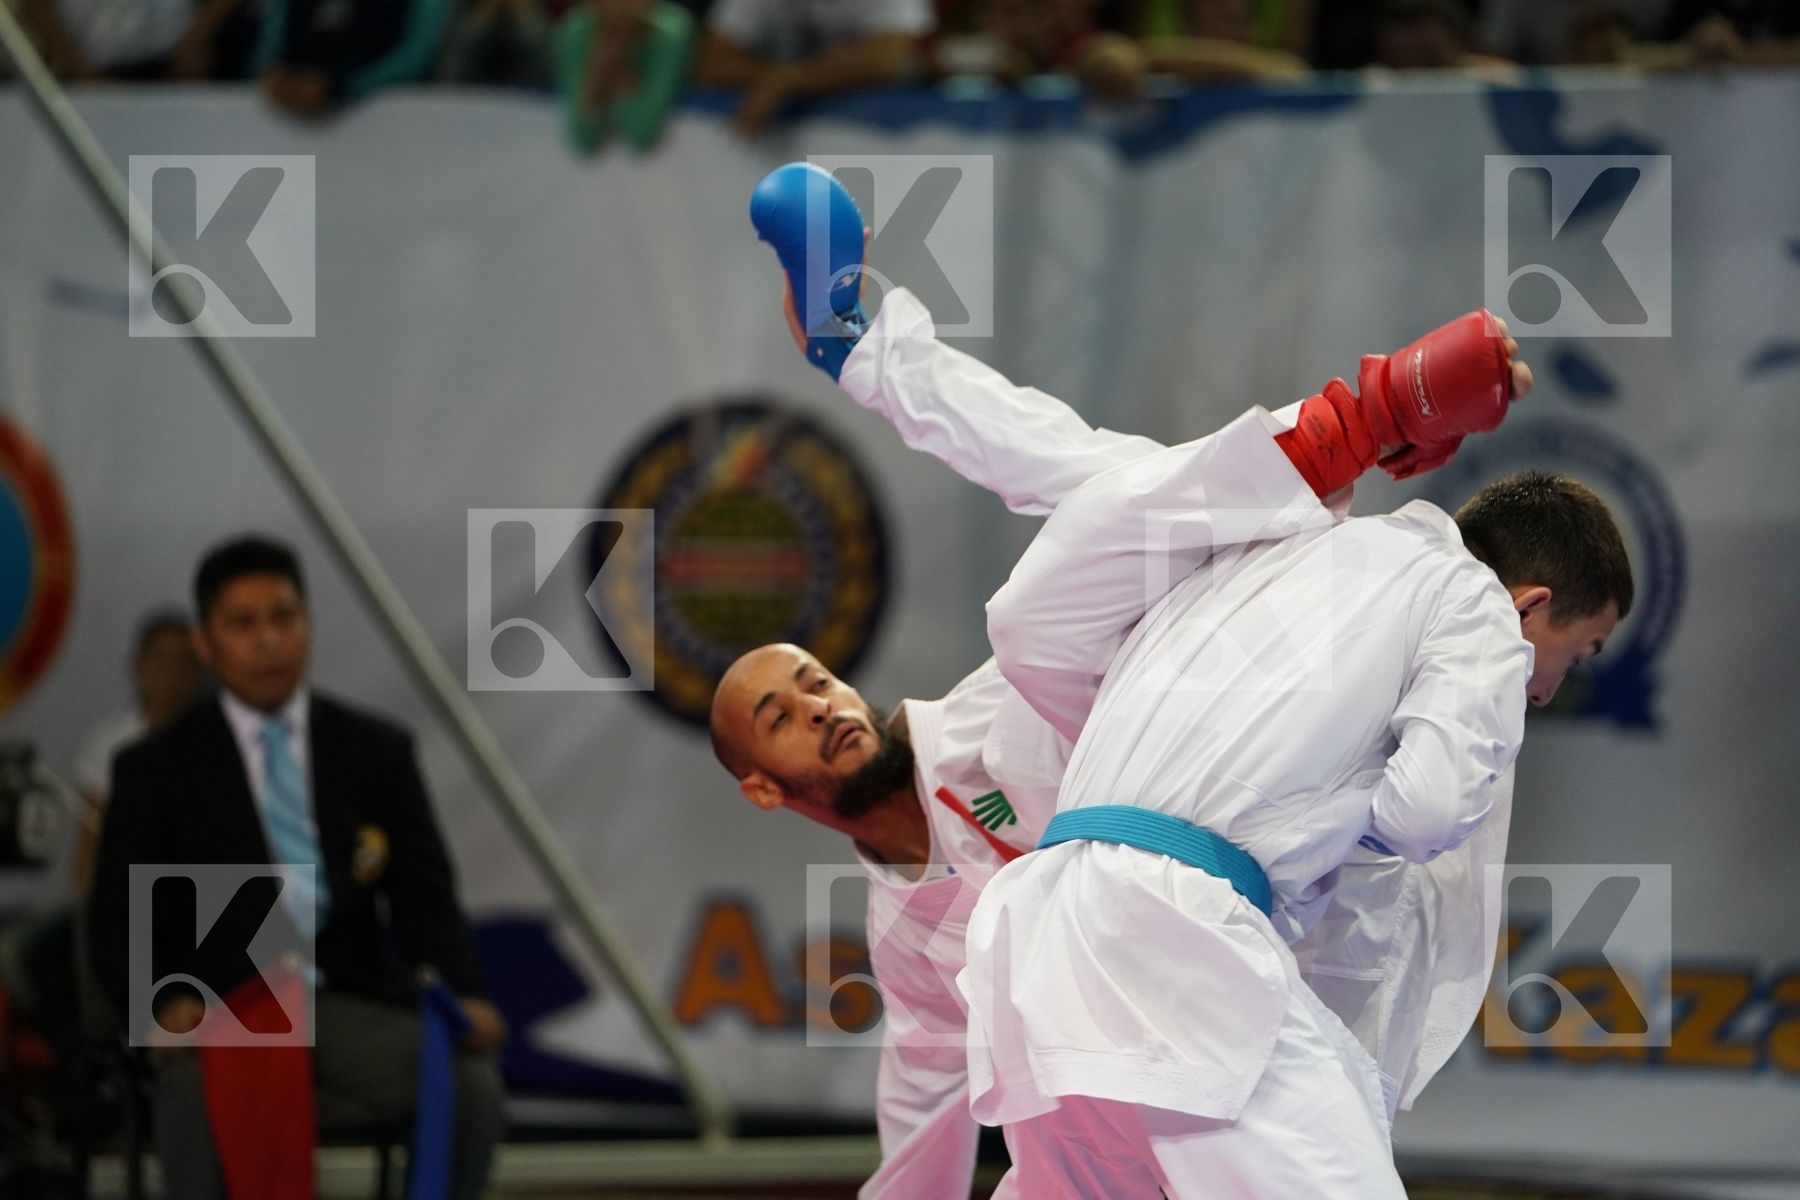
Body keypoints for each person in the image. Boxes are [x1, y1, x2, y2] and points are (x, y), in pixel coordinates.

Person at [711, 266, 1535, 1195]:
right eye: (781, 715)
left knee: (1085, 519)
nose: (820, 708)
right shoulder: (908, 940)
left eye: (816, 683)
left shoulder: (1009, 689)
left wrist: (873, 356)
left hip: (1254, 920)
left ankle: (1357, 419)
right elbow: (917, 1122)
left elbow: (1063, 464)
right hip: (1123, 1003)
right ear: (761, 788)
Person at [957, 334, 1632, 1189]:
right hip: (1178, 947)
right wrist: (1353, 821)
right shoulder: (1472, 602)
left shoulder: (1266, 541)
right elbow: (1426, 813)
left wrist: (1369, 418)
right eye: (1580, 653)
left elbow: (1030, 613)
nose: (1549, 689)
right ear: (1530, 606)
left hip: (1040, 931)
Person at [86, 535, 505, 1200]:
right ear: (206, 643)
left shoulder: (375, 752)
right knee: (192, 1093)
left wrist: (465, 989)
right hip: (225, 1004)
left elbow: (424, 892)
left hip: (344, 998)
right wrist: (164, 1001)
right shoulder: (154, 768)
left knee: (467, 1083)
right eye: (243, 623)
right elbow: (116, 919)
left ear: (308, 626)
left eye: (284, 618)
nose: (268, 641)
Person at [690, 0, 933, 136]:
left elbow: (887, 58)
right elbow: (712, 62)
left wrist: (787, 80)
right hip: (798, 148)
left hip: (880, 140)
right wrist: (776, 80)